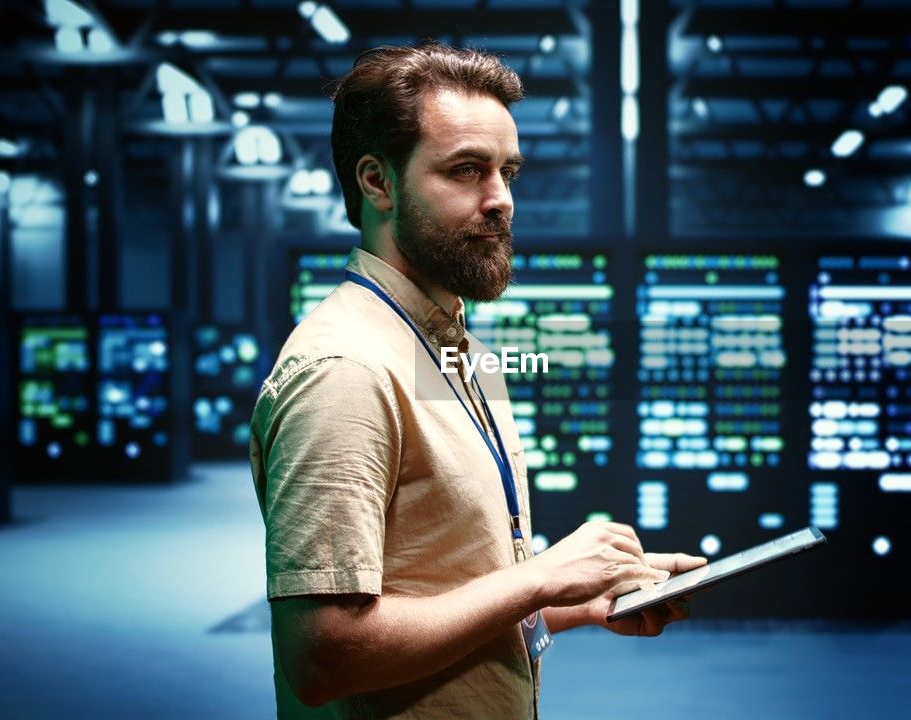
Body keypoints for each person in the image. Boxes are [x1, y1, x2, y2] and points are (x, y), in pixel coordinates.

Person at [249, 42, 705, 719]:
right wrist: (539, 576)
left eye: (506, 171)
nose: (500, 201)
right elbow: (324, 656)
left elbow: (444, 587)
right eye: (465, 171)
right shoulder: (345, 372)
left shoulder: (460, 351)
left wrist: (574, 602)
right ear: (378, 183)